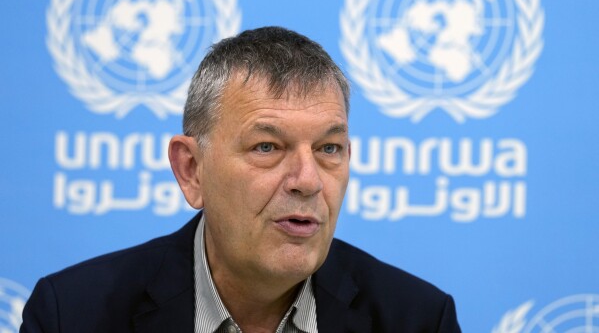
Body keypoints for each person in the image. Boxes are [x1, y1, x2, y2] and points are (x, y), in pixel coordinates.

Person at [20, 27, 461, 332]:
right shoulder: (73, 314)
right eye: (266, 147)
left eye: (329, 149)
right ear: (191, 170)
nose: (307, 181)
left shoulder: (416, 318)